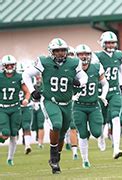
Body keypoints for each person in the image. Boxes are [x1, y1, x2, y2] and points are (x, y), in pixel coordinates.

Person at [22, 38, 88, 174]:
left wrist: (80, 83)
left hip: (67, 102)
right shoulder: (44, 62)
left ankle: (56, 158)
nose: (60, 53)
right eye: (57, 51)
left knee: (63, 133)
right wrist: (32, 90)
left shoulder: (74, 62)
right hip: (50, 100)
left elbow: (84, 77)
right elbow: (26, 74)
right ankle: (53, 156)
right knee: (56, 125)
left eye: (63, 50)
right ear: (51, 52)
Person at [73, 44, 108, 168]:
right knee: (82, 133)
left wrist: (103, 95)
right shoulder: (71, 69)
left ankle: (101, 137)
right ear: (76, 56)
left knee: (97, 132)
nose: (84, 56)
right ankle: (85, 160)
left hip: (94, 105)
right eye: (81, 54)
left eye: (86, 54)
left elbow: (105, 83)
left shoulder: (97, 67)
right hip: (78, 106)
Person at [95, 31, 122, 159]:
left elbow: (121, 70)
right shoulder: (97, 56)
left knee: (115, 117)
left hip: (115, 91)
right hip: (101, 91)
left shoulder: (119, 55)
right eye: (108, 42)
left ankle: (116, 147)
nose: (111, 45)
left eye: (112, 42)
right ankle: (101, 138)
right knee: (102, 118)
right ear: (102, 43)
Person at [0, 55, 30, 165]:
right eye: (7, 65)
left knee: (13, 133)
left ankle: (10, 158)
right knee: (6, 133)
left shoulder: (19, 77)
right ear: (3, 66)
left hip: (15, 108)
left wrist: (26, 99)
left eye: (11, 64)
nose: (9, 66)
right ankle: (2, 137)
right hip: (2, 108)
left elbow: (27, 91)